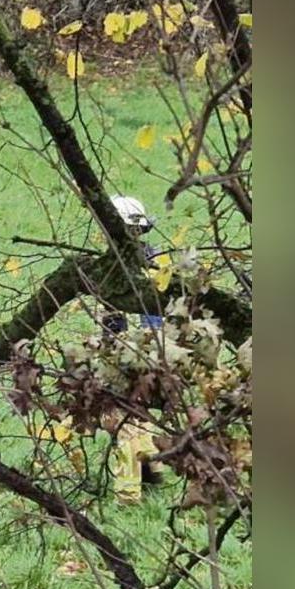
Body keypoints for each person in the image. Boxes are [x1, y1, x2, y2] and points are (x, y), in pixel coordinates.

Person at [100, 194, 165, 503]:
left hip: (133, 358)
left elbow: (119, 329)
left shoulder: (122, 270)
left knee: (121, 421)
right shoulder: (155, 261)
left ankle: (128, 496)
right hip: (156, 358)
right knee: (138, 417)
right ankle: (154, 471)